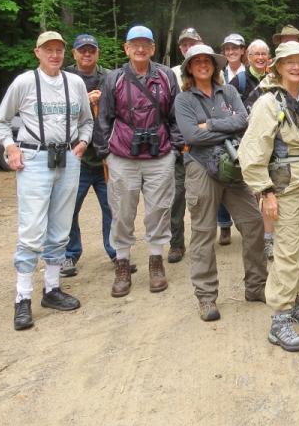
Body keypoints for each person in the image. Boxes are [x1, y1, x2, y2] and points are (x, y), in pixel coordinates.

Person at [0, 31, 94, 331]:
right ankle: (22, 297)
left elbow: (86, 121)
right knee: (32, 229)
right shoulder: (25, 83)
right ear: (36, 52)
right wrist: (10, 147)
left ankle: (51, 289)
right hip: (34, 158)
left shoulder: (74, 83)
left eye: (59, 50)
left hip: (68, 158)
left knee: (61, 226)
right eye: (48, 50)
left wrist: (84, 142)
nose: (54, 55)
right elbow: (0, 120)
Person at [239, 42, 299, 352]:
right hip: (286, 187)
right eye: (288, 62)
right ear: (277, 66)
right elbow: (252, 150)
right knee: (287, 251)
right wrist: (264, 191)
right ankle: (279, 319)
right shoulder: (267, 103)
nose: (295, 66)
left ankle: (294, 300)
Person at [174, 44, 268, 321]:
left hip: (233, 167)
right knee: (204, 232)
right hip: (201, 167)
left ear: (215, 66)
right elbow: (192, 136)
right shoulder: (184, 100)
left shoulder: (228, 92)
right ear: (190, 68)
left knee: (253, 223)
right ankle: (206, 297)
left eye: (207, 61)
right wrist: (224, 124)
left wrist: (211, 125)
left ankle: (256, 286)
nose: (203, 65)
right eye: (197, 61)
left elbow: (245, 121)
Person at [94, 25, 182, 297]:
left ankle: (156, 261)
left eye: (146, 44)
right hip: (123, 153)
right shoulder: (114, 78)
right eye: (135, 44)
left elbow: (175, 115)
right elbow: (104, 117)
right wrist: (104, 150)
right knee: (121, 211)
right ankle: (122, 262)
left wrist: (176, 148)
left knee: (159, 209)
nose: (140, 49)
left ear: (153, 48)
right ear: (126, 48)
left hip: (160, 153)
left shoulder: (166, 76)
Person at [61, 33, 115, 277]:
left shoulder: (110, 77)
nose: (87, 53)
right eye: (82, 50)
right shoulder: (63, 78)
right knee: (69, 209)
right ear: (74, 53)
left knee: (112, 207)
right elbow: (56, 114)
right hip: (76, 156)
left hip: (106, 156)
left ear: (97, 53)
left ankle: (116, 252)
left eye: (91, 50)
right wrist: (84, 100)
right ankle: (70, 254)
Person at [168, 27, 203, 264]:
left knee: (205, 196)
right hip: (178, 145)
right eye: (184, 44)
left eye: (192, 42)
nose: (188, 47)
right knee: (176, 196)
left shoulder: (207, 71)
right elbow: (166, 112)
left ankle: (205, 239)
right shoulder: (171, 74)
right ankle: (176, 243)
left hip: (203, 145)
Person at [216, 33, 247, 245]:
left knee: (247, 179)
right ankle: (224, 225)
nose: (231, 52)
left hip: (246, 130)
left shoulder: (249, 71)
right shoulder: (218, 73)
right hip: (224, 130)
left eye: (235, 48)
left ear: (243, 50)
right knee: (222, 175)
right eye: (227, 48)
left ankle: (250, 225)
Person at [231, 39, 272, 112]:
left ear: (268, 57)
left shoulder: (272, 80)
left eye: (263, 54)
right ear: (249, 57)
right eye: (256, 54)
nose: (260, 57)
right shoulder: (238, 81)